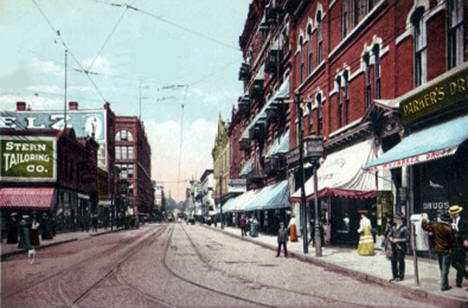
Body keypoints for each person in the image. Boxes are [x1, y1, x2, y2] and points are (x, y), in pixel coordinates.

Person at [422, 212, 456, 291]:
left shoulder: (435, 226)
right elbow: (452, 241)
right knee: (445, 268)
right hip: (447, 250)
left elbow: (425, 227)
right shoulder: (449, 228)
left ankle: (444, 283)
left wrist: (424, 219)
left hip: (438, 250)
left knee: (441, 267)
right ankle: (444, 286)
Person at [449, 205, 468, 287]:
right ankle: (466, 274)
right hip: (453, 246)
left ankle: (458, 281)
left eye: (452, 214)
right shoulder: (451, 222)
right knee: (453, 263)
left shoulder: (463, 222)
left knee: (461, 262)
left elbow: (465, 233)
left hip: (461, 245)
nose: (451, 215)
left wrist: (464, 239)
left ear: (456, 214)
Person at [389, 215, 410, 282]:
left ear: (401, 220)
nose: (396, 220)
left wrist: (398, 240)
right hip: (393, 247)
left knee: (401, 262)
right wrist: (390, 238)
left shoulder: (405, 228)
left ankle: (401, 276)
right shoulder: (393, 227)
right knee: (393, 261)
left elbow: (407, 238)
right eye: (396, 219)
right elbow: (389, 234)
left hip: (401, 247)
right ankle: (394, 276)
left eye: (398, 219)